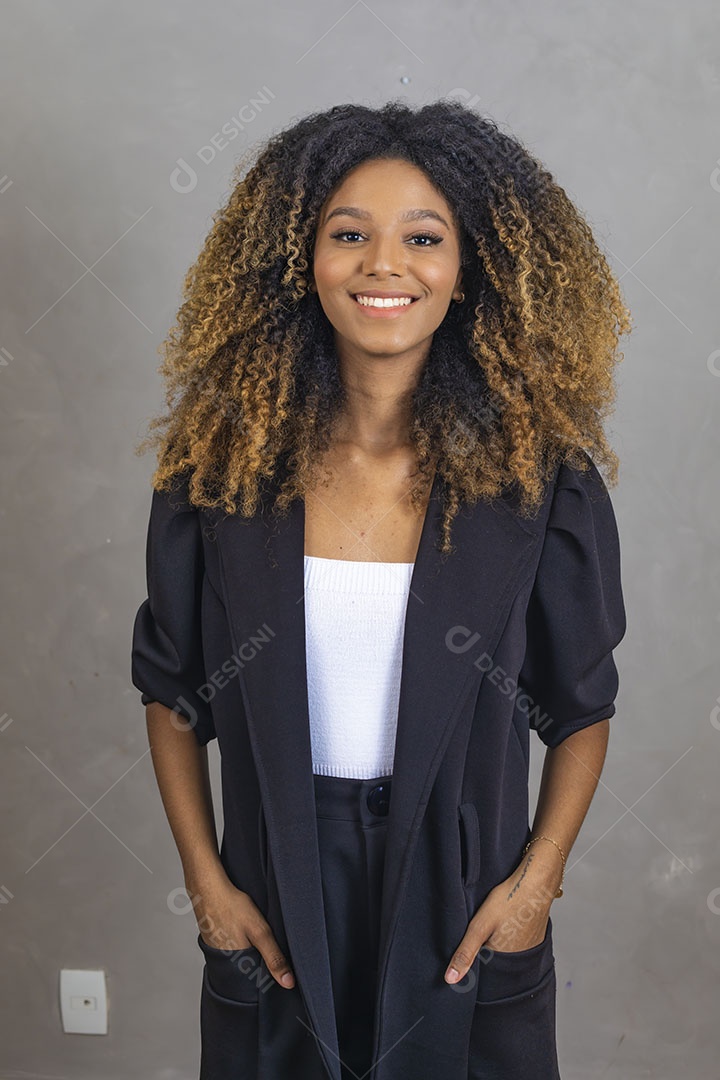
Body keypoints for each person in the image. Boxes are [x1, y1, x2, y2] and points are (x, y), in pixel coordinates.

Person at [131, 99, 631, 1080]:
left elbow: (582, 709)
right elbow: (172, 691)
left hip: (460, 886)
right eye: (348, 234)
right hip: (278, 881)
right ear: (298, 261)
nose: (383, 264)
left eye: (424, 237)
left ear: (470, 267)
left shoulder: (539, 483)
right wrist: (207, 885)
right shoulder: (220, 472)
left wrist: (535, 888)